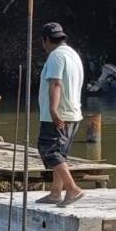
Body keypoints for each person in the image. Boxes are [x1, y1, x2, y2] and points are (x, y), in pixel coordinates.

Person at [36, 21, 85, 206]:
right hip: (73, 113)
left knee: (49, 150)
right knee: (60, 155)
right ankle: (56, 193)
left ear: (46, 40)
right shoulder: (72, 54)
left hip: (58, 114)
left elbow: (56, 83)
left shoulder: (55, 57)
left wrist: (53, 110)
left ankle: (72, 189)